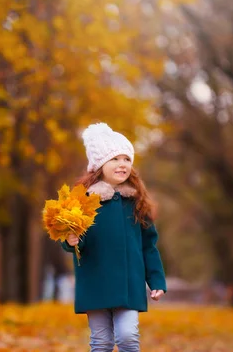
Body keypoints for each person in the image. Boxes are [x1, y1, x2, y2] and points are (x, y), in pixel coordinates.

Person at [62, 122, 167, 352]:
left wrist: (156, 280)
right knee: (101, 342)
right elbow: (73, 236)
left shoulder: (137, 203)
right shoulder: (83, 202)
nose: (122, 164)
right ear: (100, 165)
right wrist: (71, 241)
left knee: (128, 337)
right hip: (95, 280)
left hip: (129, 283)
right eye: (115, 159)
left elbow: (149, 246)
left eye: (127, 159)